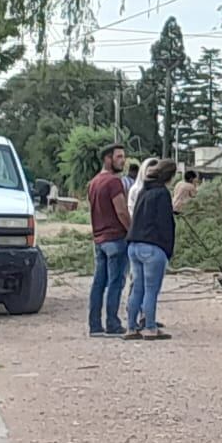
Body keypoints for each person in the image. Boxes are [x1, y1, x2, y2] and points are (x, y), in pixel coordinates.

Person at [125, 158, 177, 341]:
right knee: (151, 290)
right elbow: (165, 223)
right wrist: (168, 248)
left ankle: (131, 326)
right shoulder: (162, 193)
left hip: (134, 243)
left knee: (136, 288)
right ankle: (150, 326)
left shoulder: (142, 190)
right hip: (153, 246)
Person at [86, 143, 130, 337]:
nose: (123, 160)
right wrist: (132, 230)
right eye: (119, 157)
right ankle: (112, 322)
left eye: (123, 157)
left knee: (99, 283)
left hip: (99, 239)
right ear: (107, 159)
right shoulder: (114, 182)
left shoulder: (93, 182)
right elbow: (121, 210)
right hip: (116, 238)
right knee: (115, 282)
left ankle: (94, 324)